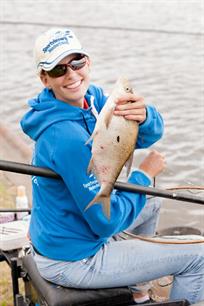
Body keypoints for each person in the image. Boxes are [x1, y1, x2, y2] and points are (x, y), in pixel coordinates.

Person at [21, 28, 204, 305]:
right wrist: (144, 174)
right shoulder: (64, 137)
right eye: (58, 70)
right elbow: (105, 222)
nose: (71, 75)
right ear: (44, 78)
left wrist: (145, 117)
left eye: (77, 63)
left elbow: (142, 137)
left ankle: (139, 294)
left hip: (69, 234)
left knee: (152, 203)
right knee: (198, 255)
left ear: (88, 62)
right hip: (74, 259)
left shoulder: (91, 100)